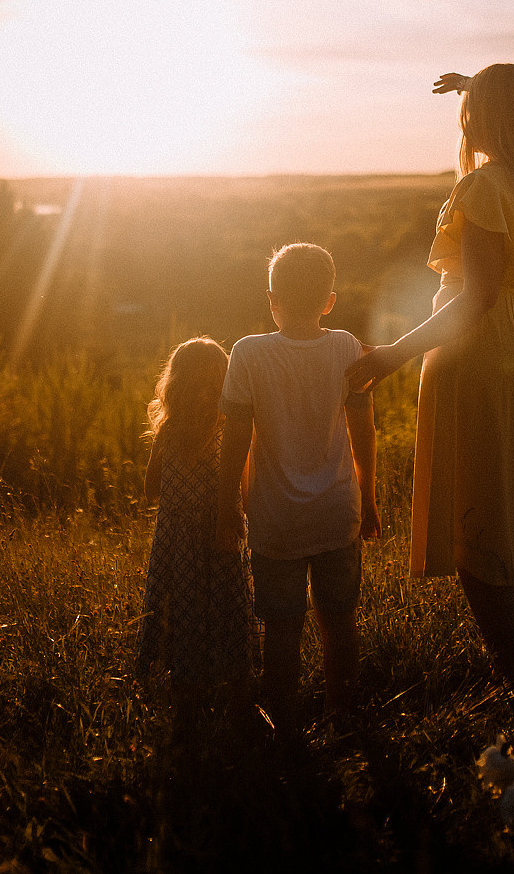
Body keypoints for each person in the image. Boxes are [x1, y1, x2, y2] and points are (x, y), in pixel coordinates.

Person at [345, 65, 514, 687]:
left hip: (478, 352)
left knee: (476, 516)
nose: (463, 117)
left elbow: (473, 299)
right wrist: (493, 86)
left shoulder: (483, 188)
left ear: (479, 116)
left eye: (471, 108)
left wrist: (392, 356)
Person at [216, 243, 382, 736]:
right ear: (329, 301)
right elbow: (364, 431)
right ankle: (341, 717)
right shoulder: (347, 347)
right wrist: (368, 499)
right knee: (339, 622)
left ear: (273, 300)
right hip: (337, 511)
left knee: (282, 627)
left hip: (275, 518)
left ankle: (285, 724)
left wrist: (229, 504)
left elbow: (235, 439)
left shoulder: (248, 353)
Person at [137, 337, 259, 725]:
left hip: (177, 541)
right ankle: (238, 697)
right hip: (223, 534)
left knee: (183, 611)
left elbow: (150, 488)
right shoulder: (232, 432)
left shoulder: (168, 433)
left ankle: (187, 697)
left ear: (176, 384)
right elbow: (249, 488)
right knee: (229, 608)